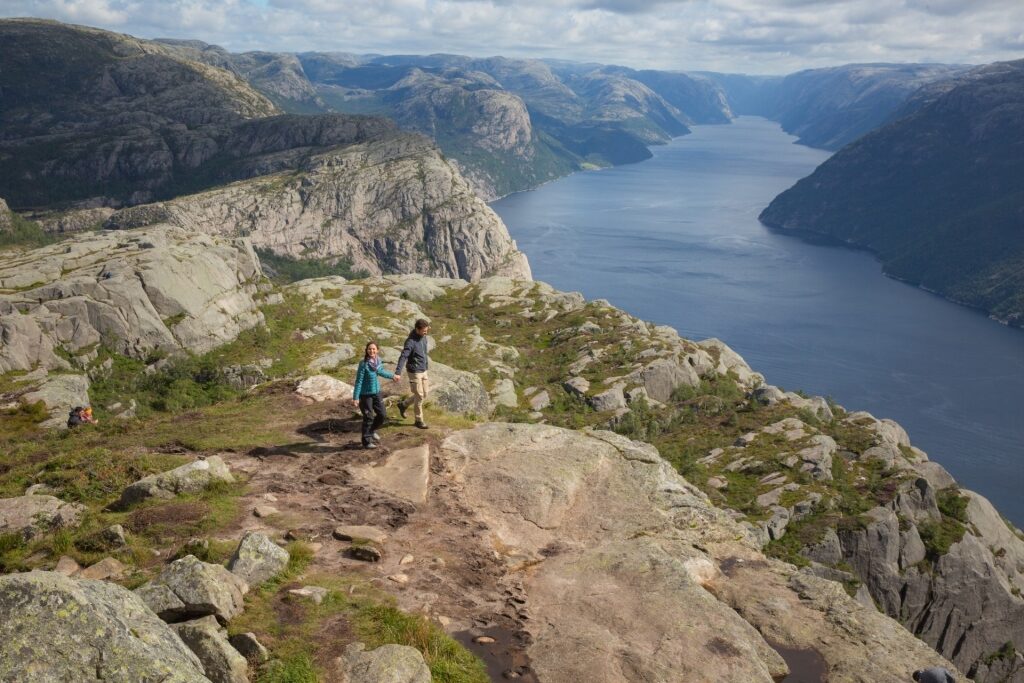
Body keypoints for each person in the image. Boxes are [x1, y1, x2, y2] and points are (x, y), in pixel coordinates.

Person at [351, 341, 396, 449]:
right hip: (365, 395)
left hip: (376, 392)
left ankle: (371, 430)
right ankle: (366, 442)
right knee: (368, 417)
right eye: (369, 349)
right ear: (366, 350)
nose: (371, 351)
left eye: (373, 349)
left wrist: (392, 376)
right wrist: (355, 397)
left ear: (377, 350)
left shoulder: (378, 361)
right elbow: (359, 381)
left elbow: (381, 372)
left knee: (382, 415)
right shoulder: (363, 364)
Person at [394, 318, 431, 429]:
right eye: (424, 331)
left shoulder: (423, 337)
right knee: (419, 396)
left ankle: (403, 404)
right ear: (417, 329)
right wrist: (398, 372)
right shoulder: (410, 342)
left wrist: (426, 366)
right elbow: (403, 356)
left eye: (426, 330)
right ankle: (418, 420)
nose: (426, 332)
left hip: (423, 370)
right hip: (414, 371)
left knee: (424, 394)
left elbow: (424, 353)